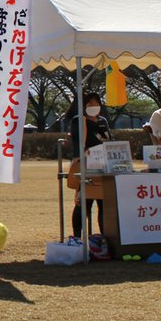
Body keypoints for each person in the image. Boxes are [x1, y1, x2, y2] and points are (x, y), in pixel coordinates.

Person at [68, 93, 112, 238]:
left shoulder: (103, 121)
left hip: (104, 168)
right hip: (86, 167)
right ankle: (76, 237)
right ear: (83, 106)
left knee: (103, 205)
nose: (93, 107)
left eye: (96, 104)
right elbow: (79, 144)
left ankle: (105, 238)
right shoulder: (79, 121)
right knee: (83, 204)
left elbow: (109, 140)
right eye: (89, 104)